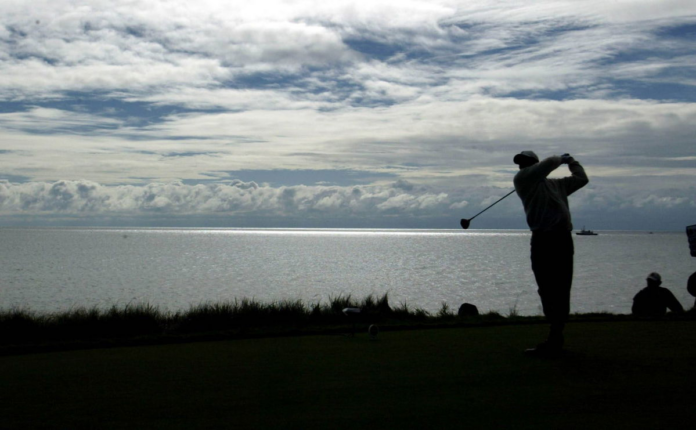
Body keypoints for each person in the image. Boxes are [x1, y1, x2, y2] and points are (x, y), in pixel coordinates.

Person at [513, 151, 589, 355]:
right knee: (547, 288)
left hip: (562, 239)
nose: (522, 167)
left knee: (562, 287)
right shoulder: (522, 179)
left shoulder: (557, 185)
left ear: (534, 163)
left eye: (525, 163)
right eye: (520, 164)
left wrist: (572, 162)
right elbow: (548, 163)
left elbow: (582, 179)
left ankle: (556, 336)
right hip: (542, 239)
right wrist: (562, 159)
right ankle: (555, 335)